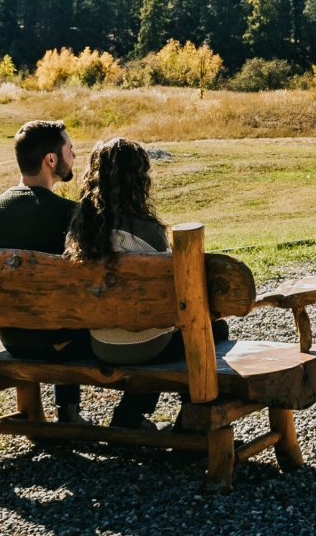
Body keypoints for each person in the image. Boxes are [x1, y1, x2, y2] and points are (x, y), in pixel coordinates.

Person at [65, 137, 230, 430]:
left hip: (100, 343)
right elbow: (175, 293)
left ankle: (129, 417)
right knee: (211, 330)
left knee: (145, 326)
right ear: (139, 179)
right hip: (146, 345)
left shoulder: (80, 233)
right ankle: (190, 420)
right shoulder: (148, 233)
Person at [0, 119, 86, 424]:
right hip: (60, 340)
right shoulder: (69, 215)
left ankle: (67, 413)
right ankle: (70, 412)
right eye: (69, 150)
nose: (73, 155)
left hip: (10, 335)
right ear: (51, 160)